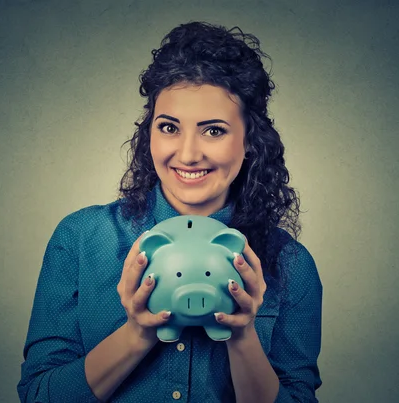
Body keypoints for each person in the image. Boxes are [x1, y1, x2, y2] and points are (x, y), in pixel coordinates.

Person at [17, 21, 322, 403]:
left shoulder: (292, 266)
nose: (188, 153)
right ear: (150, 134)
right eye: (169, 127)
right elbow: (38, 397)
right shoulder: (80, 239)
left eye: (214, 131)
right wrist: (137, 334)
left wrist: (242, 336)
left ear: (249, 141)